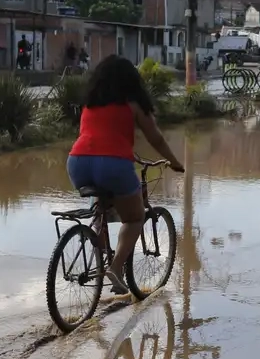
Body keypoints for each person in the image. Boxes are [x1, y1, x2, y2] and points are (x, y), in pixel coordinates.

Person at [66, 55, 185, 295]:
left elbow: (95, 137)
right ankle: (115, 268)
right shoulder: (133, 104)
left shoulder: (91, 103)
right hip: (112, 164)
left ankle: (98, 242)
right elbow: (156, 139)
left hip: (77, 162)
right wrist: (175, 162)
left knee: (102, 200)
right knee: (134, 218)